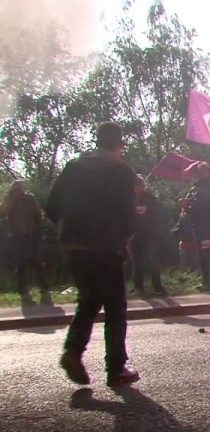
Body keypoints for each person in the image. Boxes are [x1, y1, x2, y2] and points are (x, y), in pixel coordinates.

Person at [45, 122, 140, 387]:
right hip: (106, 246)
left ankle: (73, 352)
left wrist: (71, 228)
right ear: (119, 144)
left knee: (88, 299)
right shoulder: (121, 170)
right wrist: (127, 235)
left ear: (97, 141)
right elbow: (127, 210)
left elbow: (51, 205)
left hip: (74, 246)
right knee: (115, 307)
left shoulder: (74, 167)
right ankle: (116, 368)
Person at [0, 180, 52, 306]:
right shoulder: (9, 201)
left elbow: (38, 215)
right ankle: (24, 292)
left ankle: (44, 291)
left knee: (37, 263)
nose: (17, 192)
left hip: (31, 236)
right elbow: (2, 213)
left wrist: (39, 230)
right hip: (17, 237)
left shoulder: (29, 199)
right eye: (15, 190)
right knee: (20, 266)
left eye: (19, 190)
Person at [186, 162, 210, 291]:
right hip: (197, 226)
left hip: (208, 228)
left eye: (203, 171)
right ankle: (206, 281)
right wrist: (186, 205)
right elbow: (191, 207)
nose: (200, 174)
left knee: (207, 253)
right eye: (199, 171)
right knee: (202, 255)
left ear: (208, 173)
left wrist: (192, 205)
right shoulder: (194, 189)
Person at [129, 175, 166, 296]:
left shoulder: (150, 199)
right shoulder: (129, 199)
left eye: (139, 185)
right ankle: (138, 286)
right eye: (134, 185)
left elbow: (159, 215)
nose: (136, 188)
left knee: (151, 259)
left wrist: (152, 227)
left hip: (148, 234)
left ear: (142, 186)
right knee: (136, 261)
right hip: (134, 235)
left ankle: (157, 286)